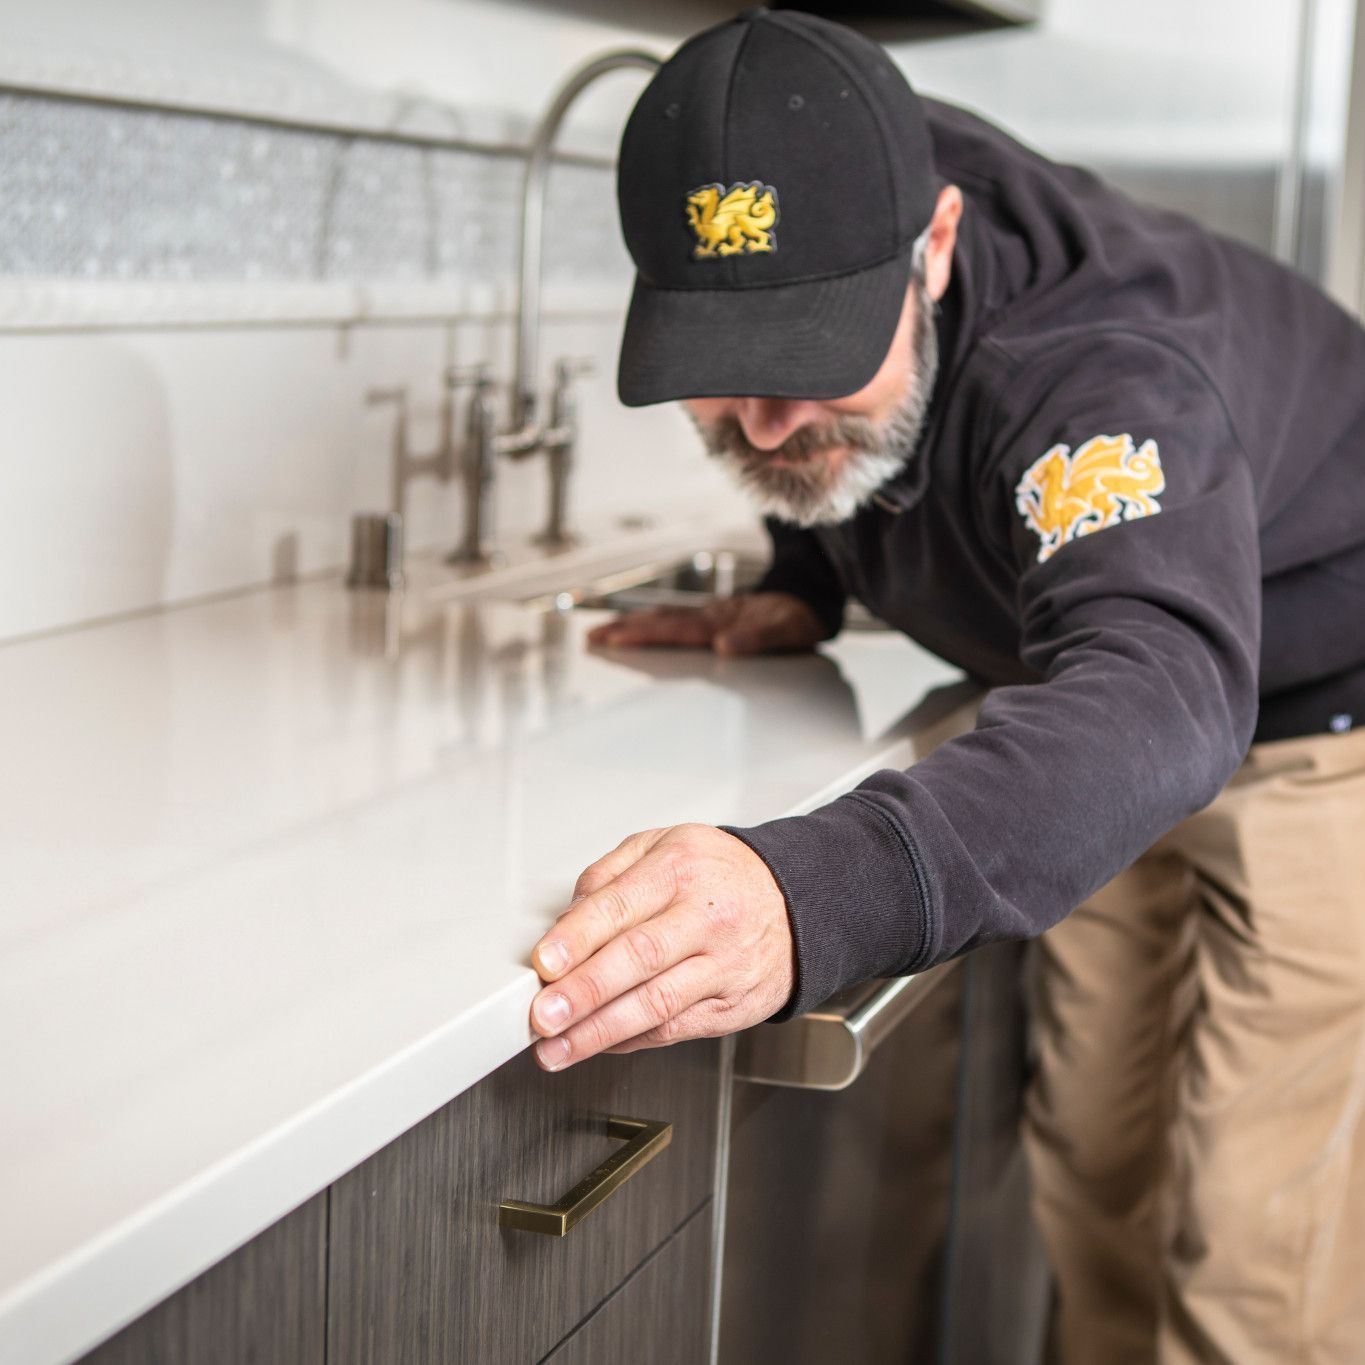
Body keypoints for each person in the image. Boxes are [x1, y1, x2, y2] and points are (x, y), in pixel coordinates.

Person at [525, 8, 1365, 1361]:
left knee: (1248, 1241)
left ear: (935, 247)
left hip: (1316, 719)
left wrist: (809, 894)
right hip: (1082, 716)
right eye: (725, 368)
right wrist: (804, 580)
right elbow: (841, 445)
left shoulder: (1098, 373)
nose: (768, 419)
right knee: (1092, 1169)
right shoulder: (837, 194)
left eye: (816, 352)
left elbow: (1159, 692)